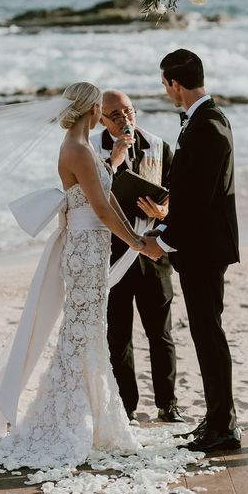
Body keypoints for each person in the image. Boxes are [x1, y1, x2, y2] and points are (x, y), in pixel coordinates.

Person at [0, 82, 161, 468]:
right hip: (85, 253)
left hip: (91, 249)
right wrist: (140, 244)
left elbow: (101, 195)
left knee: (88, 333)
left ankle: (89, 420)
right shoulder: (78, 150)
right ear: (92, 111)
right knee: (82, 333)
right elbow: (104, 210)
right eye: (99, 108)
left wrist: (117, 167)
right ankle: (66, 421)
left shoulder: (84, 149)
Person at [144, 49, 242, 453]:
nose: (166, 92)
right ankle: (216, 419)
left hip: (204, 251)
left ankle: (224, 426)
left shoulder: (209, 126)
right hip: (200, 247)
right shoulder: (203, 121)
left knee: (209, 335)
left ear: (174, 83)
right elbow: (190, 192)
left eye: (165, 85)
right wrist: (165, 219)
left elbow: (202, 197)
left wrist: (164, 241)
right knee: (205, 334)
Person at [91, 90, 182, 424]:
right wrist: (113, 161)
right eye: (115, 115)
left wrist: (162, 211)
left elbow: (177, 195)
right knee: (119, 336)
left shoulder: (159, 145)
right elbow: (87, 199)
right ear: (100, 118)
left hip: (153, 252)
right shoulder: (91, 150)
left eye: (128, 111)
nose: (124, 119)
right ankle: (126, 405)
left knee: (161, 333)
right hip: (113, 255)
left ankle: (167, 403)